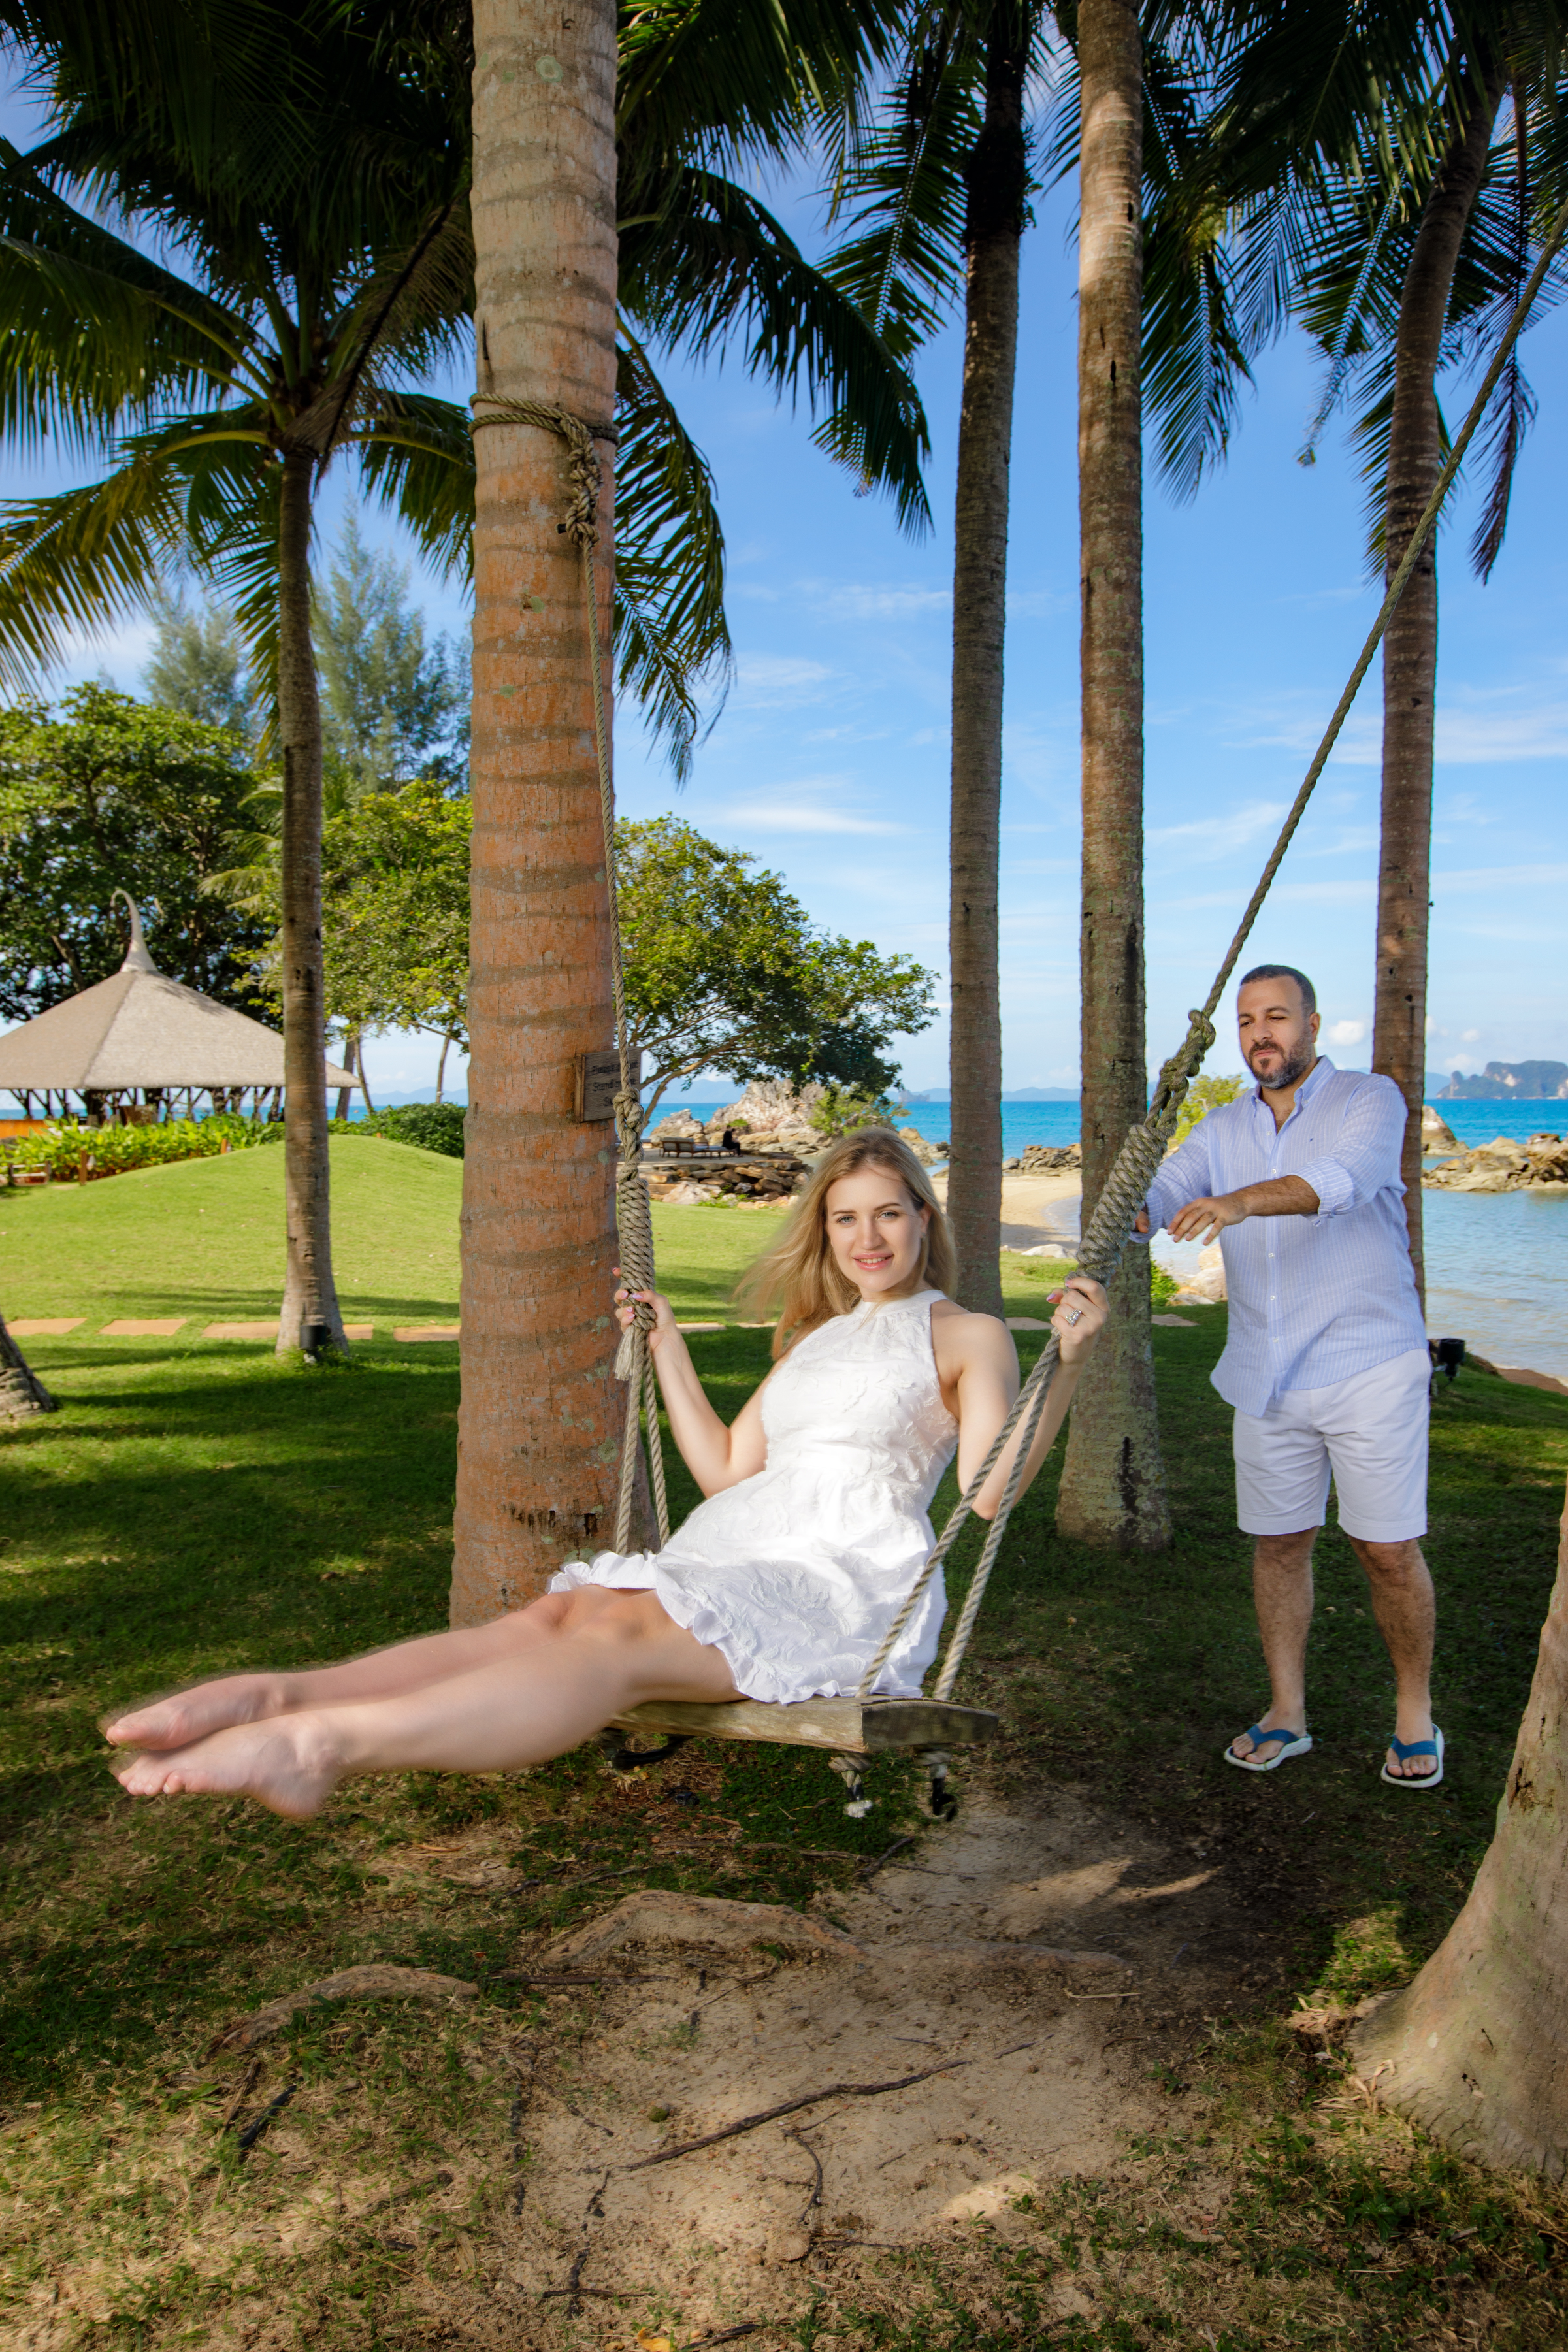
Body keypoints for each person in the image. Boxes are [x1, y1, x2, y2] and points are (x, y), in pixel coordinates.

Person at [107, 1130, 1108, 1818]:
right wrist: (667, 1345)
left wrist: (1064, 1367)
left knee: (613, 1635)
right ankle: (284, 1698)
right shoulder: (807, 1341)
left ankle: (324, 1748)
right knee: (552, 1620)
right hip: (740, 1546)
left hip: (841, 1580)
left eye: (890, 1215)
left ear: (924, 1219)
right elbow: (724, 1471)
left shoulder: (967, 1334)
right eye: (846, 1220)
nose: (868, 1240)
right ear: (828, 1233)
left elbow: (987, 1494)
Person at [1137, 963, 1442, 1787]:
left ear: (1311, 1023)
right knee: (1279, 1547)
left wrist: (1239, 1204)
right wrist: (1132, 1210)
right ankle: (1287, 1714)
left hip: (1368, 1364)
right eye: (1246, 1022)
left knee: (1386, 1549)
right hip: (1266, 1372)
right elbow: (1168, 1189)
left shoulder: (1369, 1100)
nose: (1259, 1035)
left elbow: (1341, 1182)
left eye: (1276, 1017)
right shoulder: (1223, 1127)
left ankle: (1414, 1714)